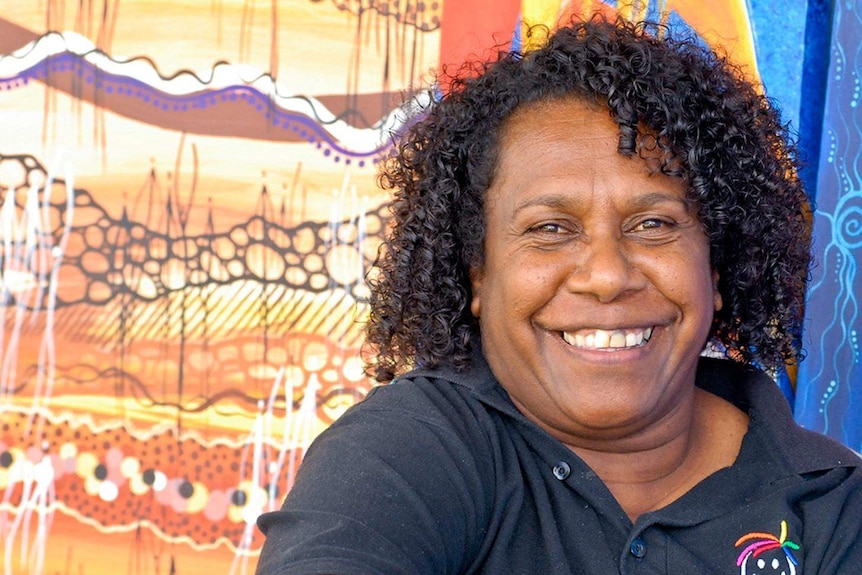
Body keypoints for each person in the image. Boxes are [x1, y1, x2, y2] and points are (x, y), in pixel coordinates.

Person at [256, 16, 862, 575]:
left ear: (718, 270)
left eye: (653, 224)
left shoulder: (833, 505)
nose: (606, 276)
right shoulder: (409, 451)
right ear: (478, 275)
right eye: (550, 229)